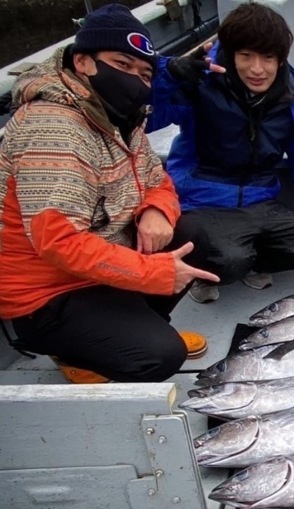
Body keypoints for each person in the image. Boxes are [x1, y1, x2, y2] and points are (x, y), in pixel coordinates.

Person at [0, 3, 217, 384]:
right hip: (46, 293)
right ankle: (80, 354)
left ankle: (133, 328)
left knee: (192, 232)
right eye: (122, 64)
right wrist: (154, 272)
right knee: (161, 356)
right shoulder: (54, 130)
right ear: (83, 62)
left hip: (99, 267)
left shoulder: (121, 117)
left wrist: (156, 212)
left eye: (144, 72)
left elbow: (158, 179)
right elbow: (58, 243)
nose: (134, 79)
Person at [148, 2, 294, 304]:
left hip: (261, 199)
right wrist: (168, 74)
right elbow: (144, 121)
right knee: (230, 260)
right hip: (201, 199)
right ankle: (207, 270)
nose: (257, 69)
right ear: (231, 55)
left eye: (268, 57)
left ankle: (252, 263)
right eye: (246, 55)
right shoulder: (199, 84)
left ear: (281, 60)